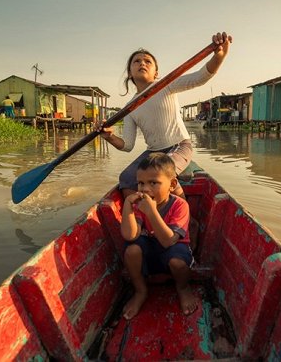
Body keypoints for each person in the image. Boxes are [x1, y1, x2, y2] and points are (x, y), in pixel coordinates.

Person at [96, 32, 232, 200]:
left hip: (179, 146)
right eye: (136, 61)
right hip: (153, 152)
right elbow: (127, 145)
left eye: (148, 61)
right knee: (126, 178)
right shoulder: (129, 108)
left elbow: (200, 77)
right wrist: (109, 136)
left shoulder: (165, 85)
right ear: (130, 73)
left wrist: (220, 55)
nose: (142, 63)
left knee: (159, 172)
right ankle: (139, 217)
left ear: (156, 73)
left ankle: (184, 216)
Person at [120, 152, 195, 319]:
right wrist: (127, 206)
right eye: (141, 183)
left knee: (178, 263)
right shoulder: (140, 205)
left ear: (172, 184)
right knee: (131, 251)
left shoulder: (180, 205)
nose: (145, 189)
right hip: (150, 249)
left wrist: (152, 212)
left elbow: (169, 241)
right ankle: (140, 290)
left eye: (153, 183)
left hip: (173, 247)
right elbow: (129, 235)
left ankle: (183, 288)